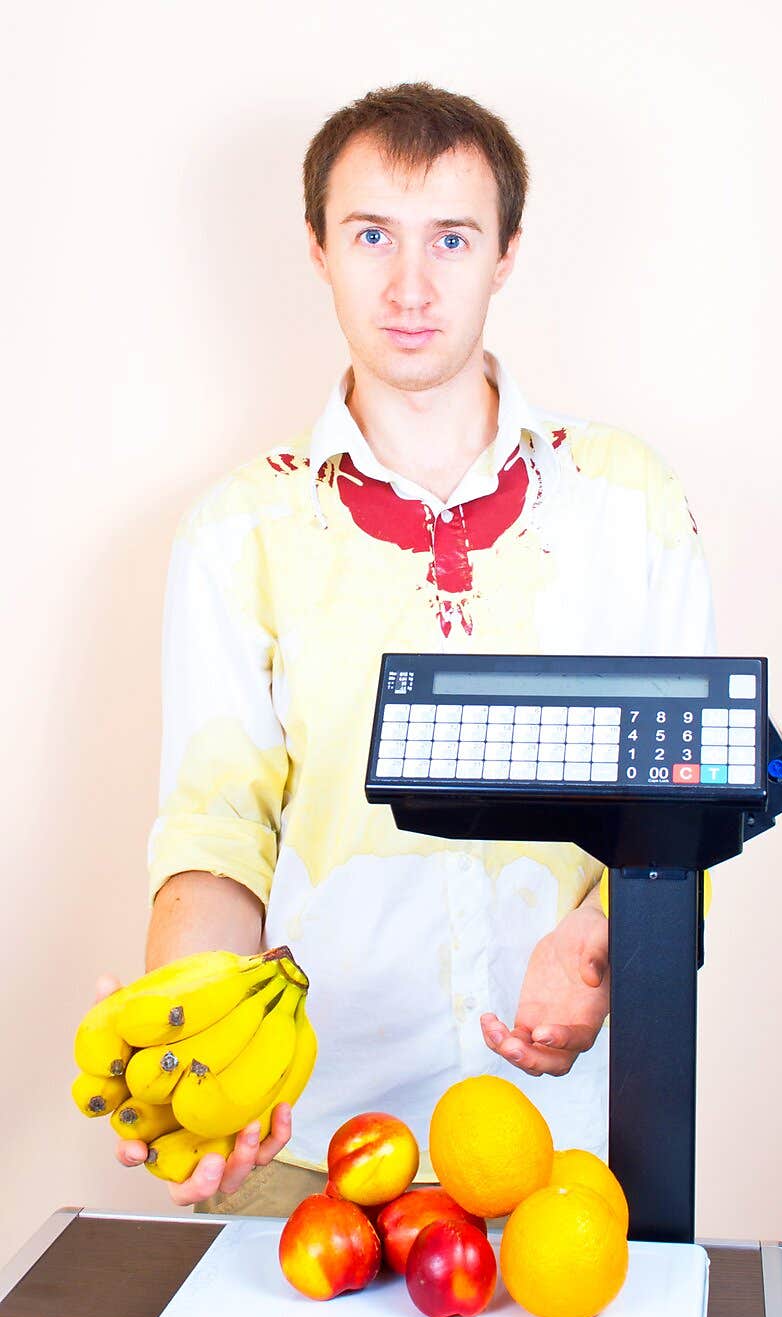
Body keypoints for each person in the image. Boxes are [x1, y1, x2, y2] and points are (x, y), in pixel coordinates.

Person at [103, 82, 715, 1216]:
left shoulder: (629, 502)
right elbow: (217, 823)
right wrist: (190, 1030)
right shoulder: (237, 530)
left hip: (564, 1149)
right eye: (371, 234)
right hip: (309, 1142)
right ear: (318, 249)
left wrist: (595, 940)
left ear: (506, 253)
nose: (410, 285)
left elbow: (685, 800)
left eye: (451, 238)